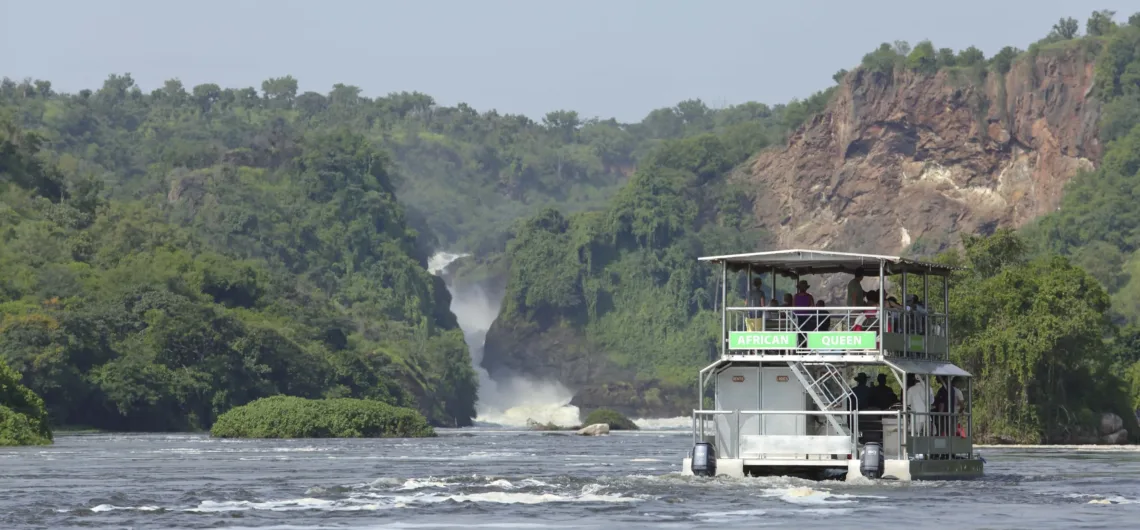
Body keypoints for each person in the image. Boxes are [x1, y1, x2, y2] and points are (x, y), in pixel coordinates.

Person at [792, 280, 815, 347]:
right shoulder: (809, 297)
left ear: (799, 288)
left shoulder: (795, 296)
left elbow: (793, 308)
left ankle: (798, 346)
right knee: (807, 333)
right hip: (807, 318)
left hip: (797, 318)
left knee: (798, 333)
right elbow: (813, 308)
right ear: (806, 288)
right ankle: (806, 346)